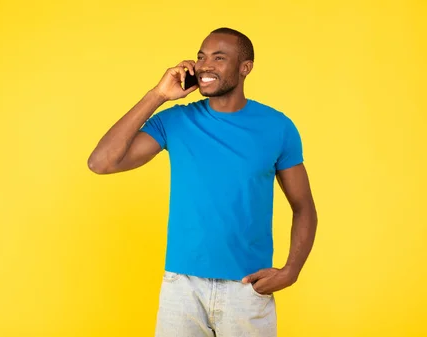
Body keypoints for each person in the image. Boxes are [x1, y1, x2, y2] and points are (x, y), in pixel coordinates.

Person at [87, 27, 318, 337]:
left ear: (244, 68)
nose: (205, 66)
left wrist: (291, 271)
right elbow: (101, 163)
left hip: (246, 290)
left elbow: (304, 207)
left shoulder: (278, 127)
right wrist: (157, 95)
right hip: (181, 289)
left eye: (219, 58)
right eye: (201, 57)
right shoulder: (175, 121)